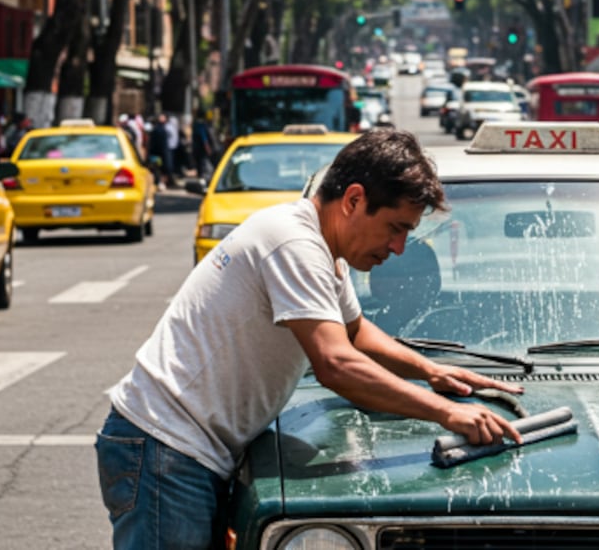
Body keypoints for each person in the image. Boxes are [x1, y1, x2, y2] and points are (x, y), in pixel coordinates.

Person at [94, 128, 524, 549]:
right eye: (396, 227)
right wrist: (448, 414)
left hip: (183, 450)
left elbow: (355, 332)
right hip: (164, 449)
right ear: (354, 199)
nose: (398, 247)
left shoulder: (322, 249)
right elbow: (335, 364)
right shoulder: (293, 242)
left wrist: (431, 370)